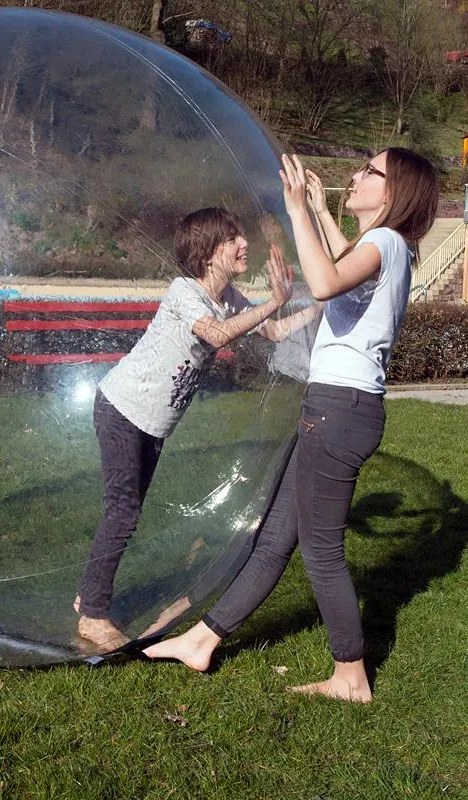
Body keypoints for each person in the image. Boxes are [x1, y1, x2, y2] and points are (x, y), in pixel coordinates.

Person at [144, 148, 439, 703]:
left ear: (395, 192)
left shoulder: (385, 242)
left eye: (370, 171)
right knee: (276, 535)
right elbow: (344, 263)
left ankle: (350, 675)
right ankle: (203, 641)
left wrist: (299, 208)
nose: (357, 175)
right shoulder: (390, 246)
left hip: (339, 410)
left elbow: (325, 282)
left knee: (320, 551)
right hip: (338, 407)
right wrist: (325, 214)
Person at [75, 206, 309, 652]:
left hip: (152, 422)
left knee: (125, 513)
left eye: (241, 236)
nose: (244, 244)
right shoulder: (185, 291)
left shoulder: (229, 297)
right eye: (232, 239)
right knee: (122, 513)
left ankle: (90, 592)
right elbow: (217, 335)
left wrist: (321, 303)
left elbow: (275, 331)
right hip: (123, 409)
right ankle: (92, 614)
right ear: (207, 252)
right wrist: (274, 301)